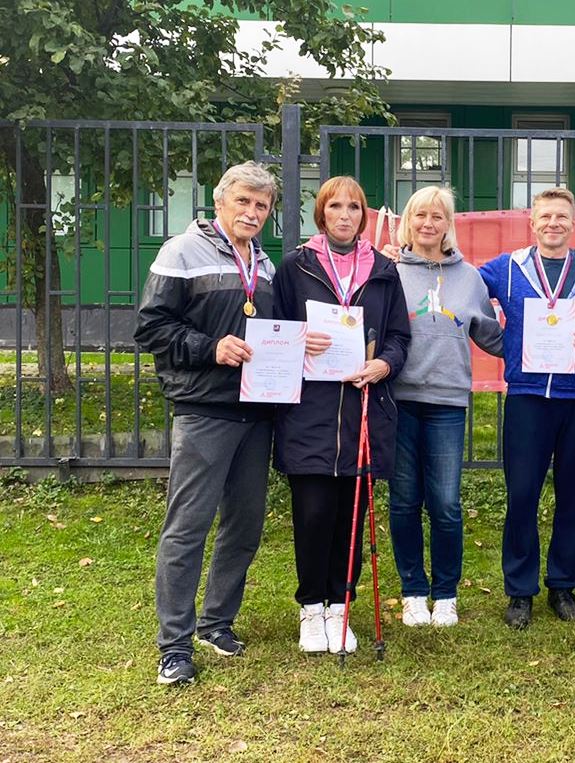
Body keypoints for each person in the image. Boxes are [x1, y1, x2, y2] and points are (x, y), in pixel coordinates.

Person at [135, 161, 279, 686]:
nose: (252, 212)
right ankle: (173, 645)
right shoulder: (181, 250)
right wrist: (210, 349)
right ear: (220, 202)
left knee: (243, 524)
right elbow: (151, 327)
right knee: (188, 528)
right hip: (203, 410)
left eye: (261, 206)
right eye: (243, 201)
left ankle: (216, 622)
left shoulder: (263, 263)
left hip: (255, 411)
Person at [272, 176, 411, 655]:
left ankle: (340, 606)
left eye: (354, 206)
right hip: (309, 410)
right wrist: (295, 339)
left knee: (350, 514)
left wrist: (384, 363)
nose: (345, 214)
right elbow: (272, 330)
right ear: (322, 213)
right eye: (336, 206)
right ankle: (312, 608)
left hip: (363, 409)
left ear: (363, 215)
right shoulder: (295, 266)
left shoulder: (383, 271)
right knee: (313, 514)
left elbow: (399, 336)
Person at [479, 188, 575, 629]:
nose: (553, 223)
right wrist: (506, 347)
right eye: (545, 217)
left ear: (574, 222)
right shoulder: (508, 268)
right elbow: (461, 286)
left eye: (561, 217)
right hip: (527, 396)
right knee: (522, 494)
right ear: (531, 222)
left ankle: (563, 585)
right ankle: (520, 591)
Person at [380, 185, 503, 628]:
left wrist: (544, 341)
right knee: (404, 501)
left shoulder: (469, 277)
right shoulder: (389, 271)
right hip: (398, 399)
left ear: (449, 224)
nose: (428, 223)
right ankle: (413, 590)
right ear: (407, 222)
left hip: (448, 402)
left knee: (447, 504)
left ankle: (446, 593)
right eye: (420, 215)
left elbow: (490, 334)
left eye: (437, 216)